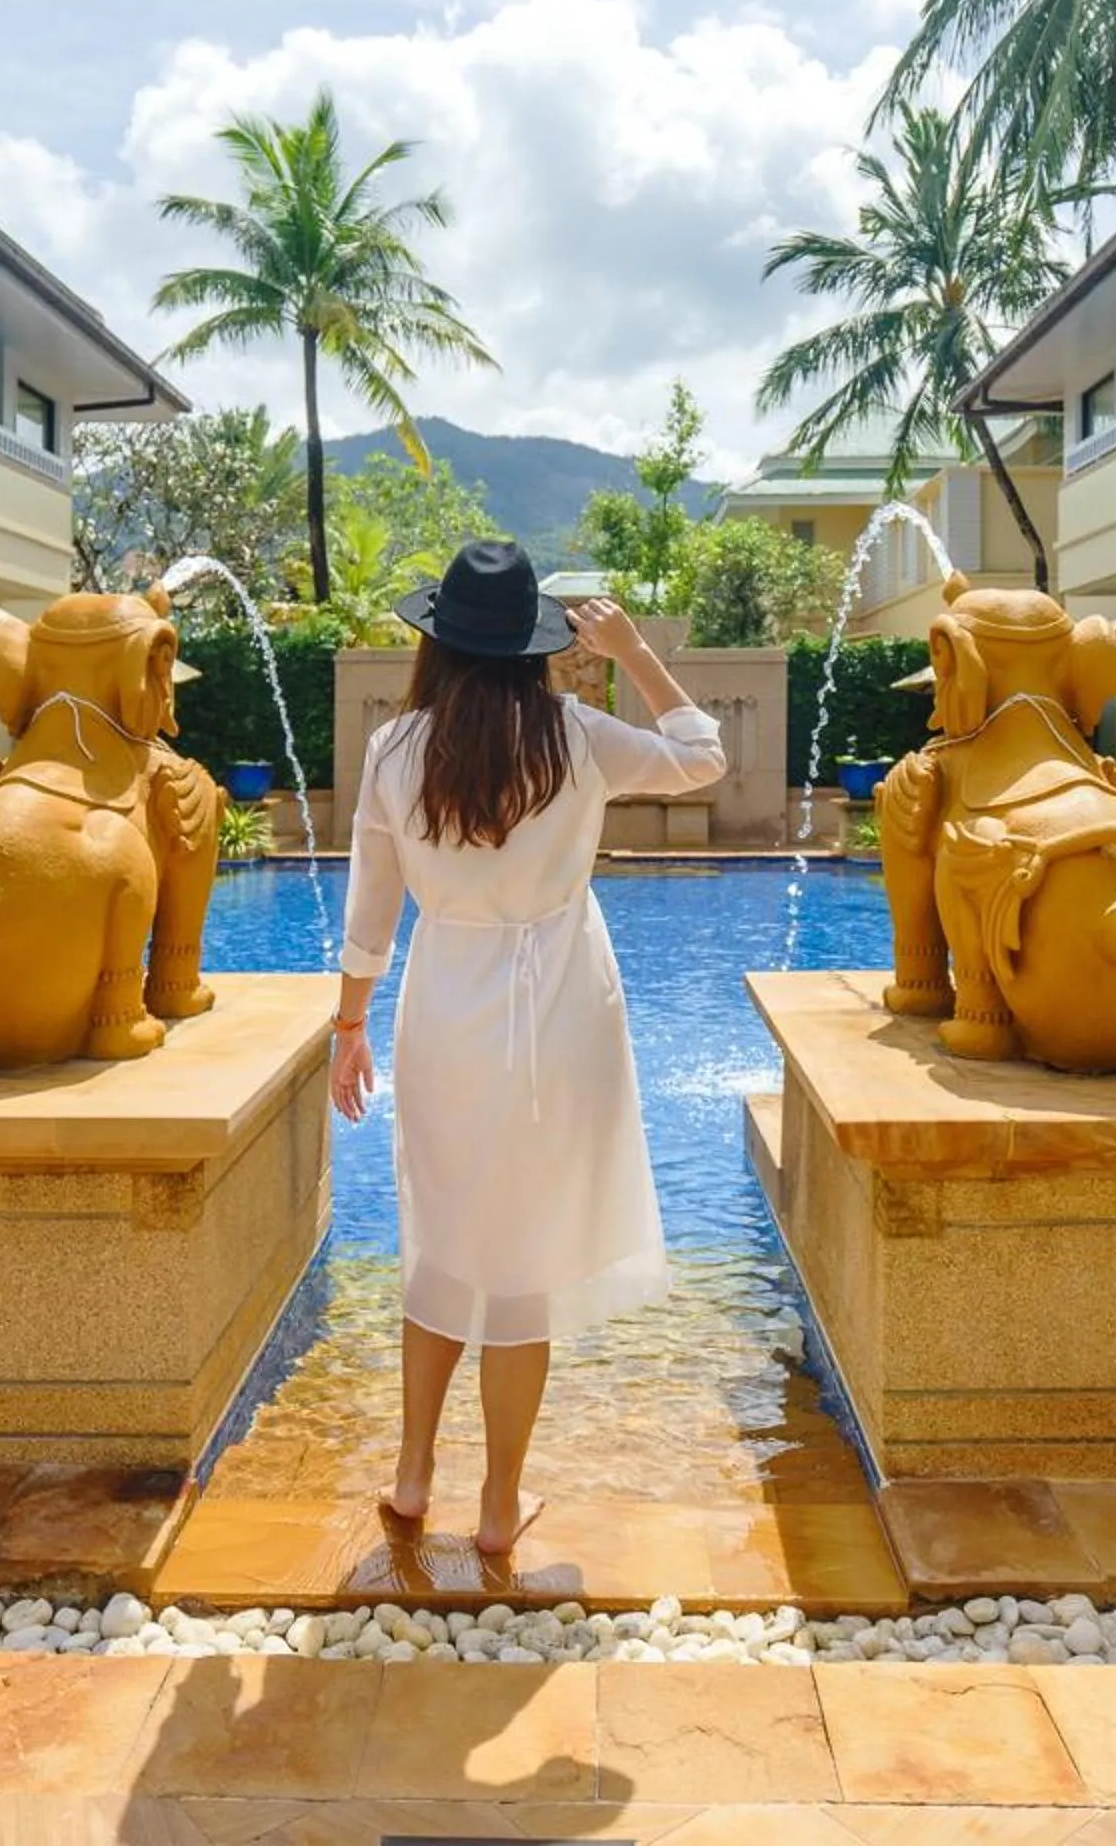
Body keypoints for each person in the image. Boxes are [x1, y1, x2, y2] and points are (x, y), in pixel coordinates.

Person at [330, 539, 728, 1555]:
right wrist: (635, 651)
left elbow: (371, 906)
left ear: (438, 641)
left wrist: (348, 1026)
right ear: (532, 646)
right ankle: (500, 1504)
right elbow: (702, 754)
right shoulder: (579, 736)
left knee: (442, 1237)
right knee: (523, 1262)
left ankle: (415, 1477)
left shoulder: (394, 750)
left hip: (444, 1008)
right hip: (561, 1011)